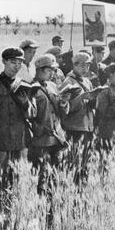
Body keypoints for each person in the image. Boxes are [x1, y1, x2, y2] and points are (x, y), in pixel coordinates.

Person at [0, 47, 37, 191]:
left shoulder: (25, 85)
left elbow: (33, 113)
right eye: (13, 62)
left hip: (19, 141)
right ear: (4, 61)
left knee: (18, 179)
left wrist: (25, 103)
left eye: (19, 63)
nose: (16, 66)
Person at [29, 54, 70, 196]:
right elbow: (28, 115)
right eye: (49, 70)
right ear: (40, 69)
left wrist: (64, 102)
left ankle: (52, 200)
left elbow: (60, 111)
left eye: (53, 70)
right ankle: (40, 200)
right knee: (41, 172)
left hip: (56, 137)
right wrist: (38, 129)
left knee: (55, 172)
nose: (52, 73)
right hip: (41, 139)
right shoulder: (30, 87)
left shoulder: (53, 86)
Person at [59, 52, 96, 187]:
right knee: (74, 162)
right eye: (82, 66)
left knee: (85, 162)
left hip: (87, 126)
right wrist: (81, 99)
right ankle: (72, 188)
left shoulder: (87, 81)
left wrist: (93, 100)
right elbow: (64, 108)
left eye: (87, 66)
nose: (85, 69)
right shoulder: (68, 82)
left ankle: (82, 189)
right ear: (74, 65)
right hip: (74, 127)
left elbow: (91, 104)